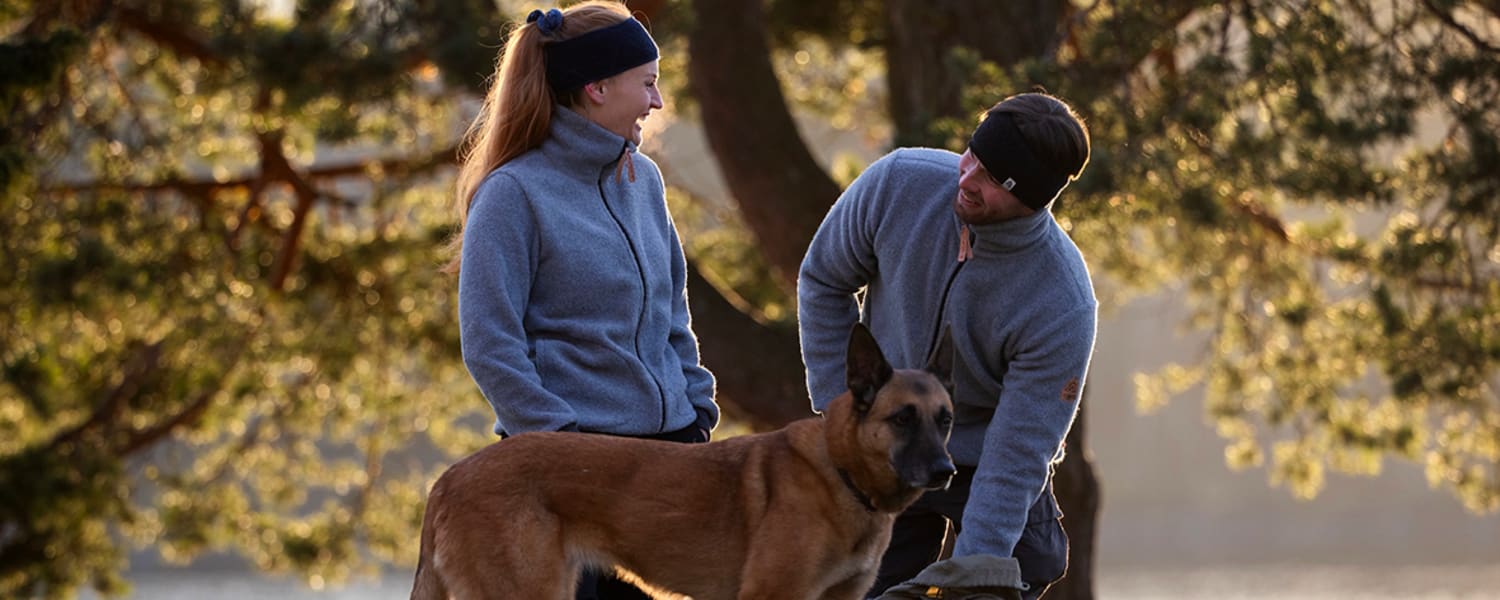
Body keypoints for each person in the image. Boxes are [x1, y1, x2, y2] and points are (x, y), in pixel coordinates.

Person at [447, 3, 717, 598]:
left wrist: (697, 408)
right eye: (647, 83)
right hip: (564, 482)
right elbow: (490, 345)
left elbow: (673, 314)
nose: (657, 101)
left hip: (669, 466)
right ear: (596, 88)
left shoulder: (644, 182)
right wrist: (562, 446)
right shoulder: (512, 194)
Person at [797, 92, 1095, 599]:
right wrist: (841, 414)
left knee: (1014, 565)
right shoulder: (898, 183)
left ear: (1035, 198)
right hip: (883, 438)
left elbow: (1018, 452)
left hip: (981, 454)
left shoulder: (1061, 303)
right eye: (972, 155)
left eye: (992, 179)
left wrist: (973, 572)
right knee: (860, 583)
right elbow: (823, 279)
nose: (967, 180)